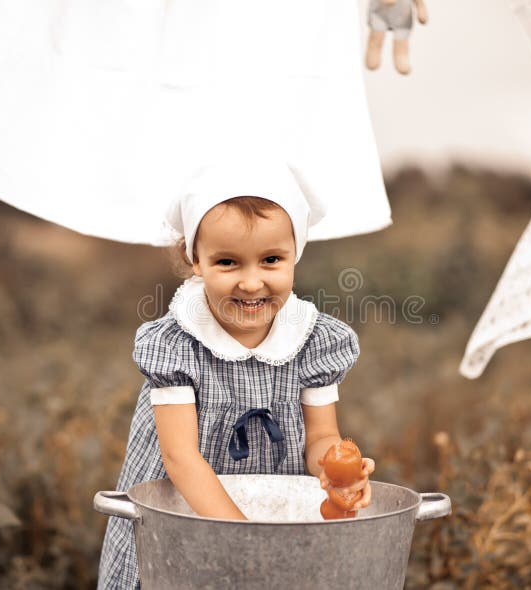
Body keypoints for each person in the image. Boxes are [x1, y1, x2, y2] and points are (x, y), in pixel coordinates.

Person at [97, 162, 376, 589]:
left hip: (270, 513)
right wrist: (241, 539)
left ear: (294, 254)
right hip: (185, 514)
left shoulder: (313, 341)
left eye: (271, 260)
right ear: (196, 261)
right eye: (227, 262)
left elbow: (322, 437)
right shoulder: (177, 345)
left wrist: (338, 473)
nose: (251, 282)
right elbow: (180, 459)